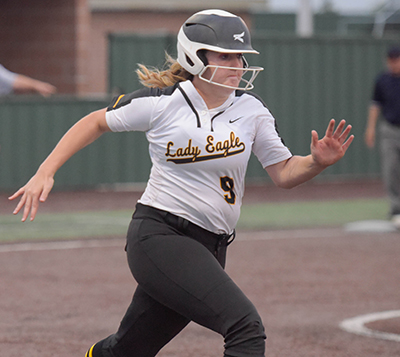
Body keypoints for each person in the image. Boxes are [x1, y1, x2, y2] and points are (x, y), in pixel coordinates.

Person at [9, 9, 353, 357]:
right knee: (245, 327)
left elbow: (284, 174)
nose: (237, 65)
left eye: (240, 57)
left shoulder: (252, 110)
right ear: (195, 56)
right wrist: (45, 171)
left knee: (128, 349)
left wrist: (315, 163)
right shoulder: (164, 103)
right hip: (159, 237)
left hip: (211, 248)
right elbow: (95, 122)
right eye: (225, 56)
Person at [364, 46, 400, 229]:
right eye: (391, 60)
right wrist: (370, 129)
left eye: (397, 59)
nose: (394, 63)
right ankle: (396, 210)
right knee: (391, 169)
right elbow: (375, 105)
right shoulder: (383, 80)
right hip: (390, 129)